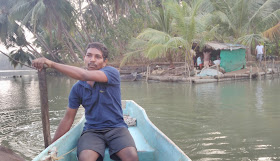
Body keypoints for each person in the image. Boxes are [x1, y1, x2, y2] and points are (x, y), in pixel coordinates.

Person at [32, 42, 138, 161]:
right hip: (92, 131)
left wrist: (51, 64)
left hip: (117, 128)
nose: (92, 59)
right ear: (84, 58)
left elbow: (84, 74)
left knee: (131, 157)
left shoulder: (112, 73)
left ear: (105, 62)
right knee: (85, 158)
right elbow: (68, 118)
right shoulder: (77, 89)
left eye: (98, 56)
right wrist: (51, 147)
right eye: (89, 55)